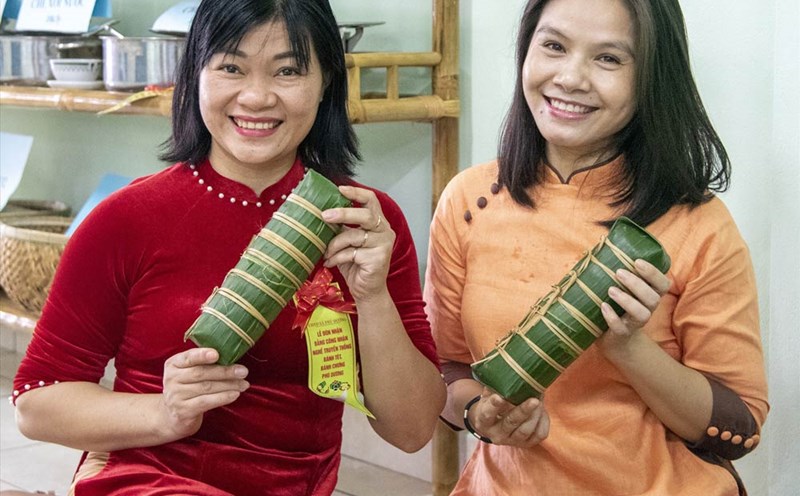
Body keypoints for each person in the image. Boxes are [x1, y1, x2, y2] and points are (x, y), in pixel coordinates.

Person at [10, 0, 446, 494]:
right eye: (231, 68)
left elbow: (411, 430)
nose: (257, 96)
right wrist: (163, 413)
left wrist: (372, 298)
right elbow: (36, 403)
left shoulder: (362, 222)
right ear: (196, 73)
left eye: (287, 71)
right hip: (149, 479)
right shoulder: (126, 218)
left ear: (326, 82)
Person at [424, 0, 768, 494]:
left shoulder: (700, 225)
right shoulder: (470, 200)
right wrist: (481, 414)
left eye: (608, 58)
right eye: (554, 46)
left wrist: (628, 347)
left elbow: (741, 428)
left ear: (651, 77)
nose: (570, 77)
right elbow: (445, 365)